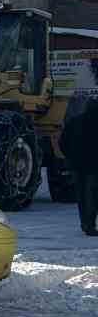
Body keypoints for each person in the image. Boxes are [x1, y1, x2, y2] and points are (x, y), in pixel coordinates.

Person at [59, 94, 98, 235]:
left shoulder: (74, 121)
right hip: (94, 166)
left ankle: (85, 224)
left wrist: (70, 157)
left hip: (76, 165)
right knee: (92, 196)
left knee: (81, 196)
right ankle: (90, 225)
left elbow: (62, 142)